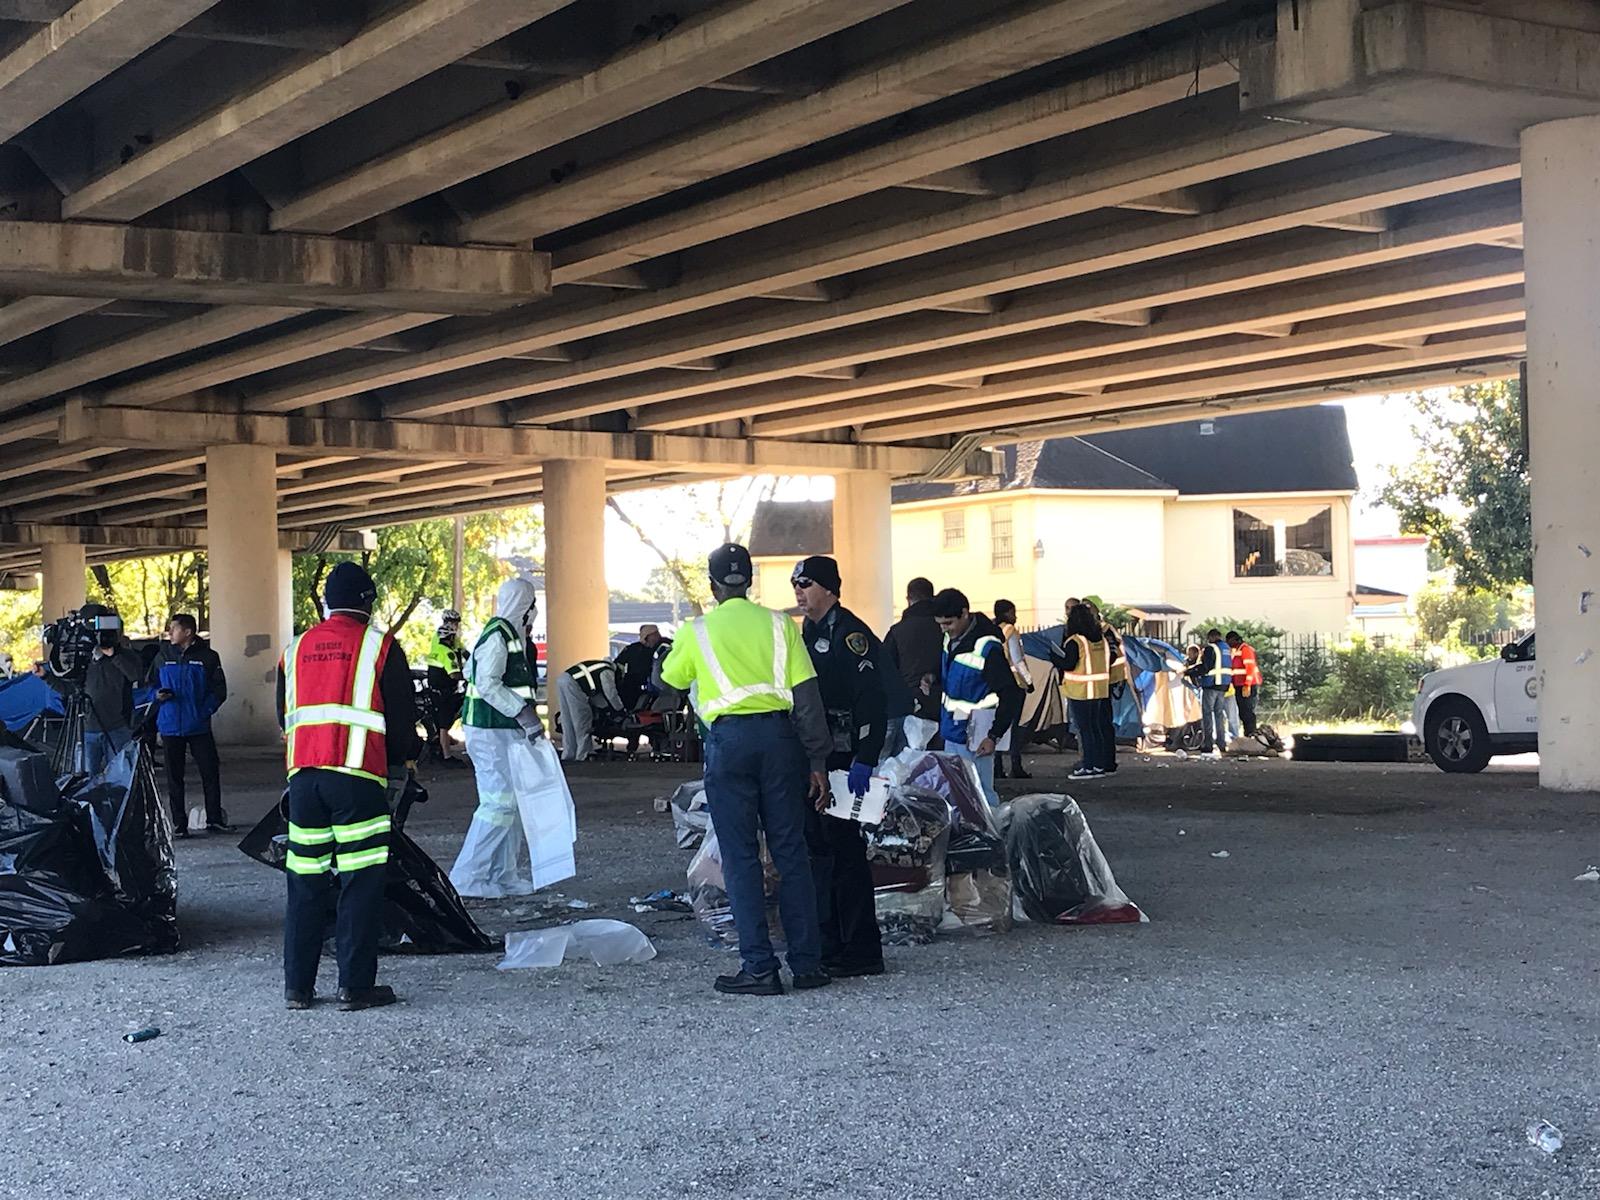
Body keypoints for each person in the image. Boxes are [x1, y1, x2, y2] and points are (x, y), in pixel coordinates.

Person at [659, 544, 831, 996]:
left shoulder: (697, 630)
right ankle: (808, 965)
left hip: (729, 745)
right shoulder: (780, 625)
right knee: (791, 853)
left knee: (740, 858)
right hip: (781, 742)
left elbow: (669, 681)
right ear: (749, 581)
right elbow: (807, 697)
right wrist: (817, 760)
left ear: (714, 586)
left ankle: (759, 967)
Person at [275, 562, 419, 1011]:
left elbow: (284, 716)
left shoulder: (295, 649)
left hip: (303, 781)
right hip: (357, 781)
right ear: (367, 602)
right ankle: (354, 986)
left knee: (305, 883)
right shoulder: (380, 647)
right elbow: (400, 721)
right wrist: (405, 759)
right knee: (360, 882)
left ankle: (297, 987)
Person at [791, 555, 886, 979]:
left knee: (845, 853)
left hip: (845, 756)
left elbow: (873, 699)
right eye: (795, 583)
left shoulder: (851, 634)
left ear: (829, 587)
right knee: (819, 850)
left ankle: (860, 949)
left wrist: (867, 756)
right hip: (816, 752)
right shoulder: (806, 632)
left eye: (806, 583)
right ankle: (829, 941)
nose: (799, 590)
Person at [451, 578, 571, 898]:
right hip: (491, 729)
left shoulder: (505, 635)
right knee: (498, 803)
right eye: (532, 606)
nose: (534, 613)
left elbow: (470, 674)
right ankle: (469, 875)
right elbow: (487, 683)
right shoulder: (499, 635)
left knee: (513, 802)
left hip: (502, 730)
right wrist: (523, 713)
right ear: (525, 607)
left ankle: (503, 875)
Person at [932, 588, 1022, 810]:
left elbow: (1009, 693)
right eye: (941, 624)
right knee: (958, 793)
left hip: (977, 737)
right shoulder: (949, 639)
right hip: (952, 730)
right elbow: (952, 675)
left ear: (964, 613)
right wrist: (933, 677)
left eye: (949, 623)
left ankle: (992, 839)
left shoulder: (987, 648)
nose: (945, 629)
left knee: (980, 795)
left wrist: (994, 735)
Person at [146, 612, 227, 835]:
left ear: (188, 632)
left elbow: (219, 690)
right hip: (170, 726)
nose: (170, 633)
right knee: (174, 777)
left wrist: (204, 711)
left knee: (210, 772)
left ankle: (214, 819)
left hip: (198, 726)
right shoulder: (163, 655)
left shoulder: (209, 657)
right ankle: (179, 824)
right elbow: (150, 684)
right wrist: (157, 695)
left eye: (174, 629)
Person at [40, 603, 141, 776]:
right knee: (86, 780)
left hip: (118, 728)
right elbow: (71, 690)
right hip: (87, 730)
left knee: (120, 777)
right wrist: (45, 676)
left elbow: (136, 675)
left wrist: (113, 654)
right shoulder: (83, 659)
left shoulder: (124, 655)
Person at [883, 577, 943, 753]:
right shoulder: (943, 627)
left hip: (909, 707)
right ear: (932, 597)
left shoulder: (897, 631)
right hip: (942, 705)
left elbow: (887, 670)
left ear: (908, 599)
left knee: (910, 765)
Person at [1060, 602, 1115, 779]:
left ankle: (1088, 766)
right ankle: (1099, 766)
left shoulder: (1075, 641)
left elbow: (1068, 664)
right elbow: (1110, 659)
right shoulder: (1101, 640)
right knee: (1095, 729)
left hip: (1080, 692)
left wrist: (1054, 658)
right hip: (1099, 691)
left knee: (1085, 731)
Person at [992, 599, 1034, 780]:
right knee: (1014, 727)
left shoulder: (991, 630)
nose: (1015, 616)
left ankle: (997, 767)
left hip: (996, 684)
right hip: (1015, 684)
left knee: (996, 725)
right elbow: (1017, 660)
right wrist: (1029, 680)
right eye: (1013, 612)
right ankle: (1016, 766)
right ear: (1006, 613)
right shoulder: (1011, 632)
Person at [556, 658, 627, 762]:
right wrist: (620, 709)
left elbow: (596, 695)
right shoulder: (607, 670)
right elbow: (610, 693)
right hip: (574, 684)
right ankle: (583, 754)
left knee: (568, 721)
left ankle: (568, 754)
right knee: (582, 720)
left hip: (563, 679)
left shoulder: (596, 666)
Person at [424, 609, 468, 765]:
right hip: (444, 685)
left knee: (444, 719)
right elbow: (453, 670)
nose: (455, 626)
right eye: (453, 622)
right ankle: (446, 754)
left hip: (438, 685)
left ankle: (443, 740)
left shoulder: (447, 638)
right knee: (444, 721)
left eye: (456, 623)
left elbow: (463, 651)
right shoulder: (443, 643)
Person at [1186, 627, 1233, 756]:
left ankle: (1208, 744)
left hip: (1211, 684)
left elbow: (1205, 667)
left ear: (1211, 637)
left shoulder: (1211, 648)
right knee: (1219, 715)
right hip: (1224, 685)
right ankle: (1221, 743)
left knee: (1207, 714)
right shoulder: (1226, 648)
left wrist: (1189, 671)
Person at [614, 625, 665, 710]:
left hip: (658, 686)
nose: (657, 637)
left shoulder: (663, 647)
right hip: (633, 686)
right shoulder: (633, 649)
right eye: (654, 634)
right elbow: (618, 664)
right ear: (646, 636)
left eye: (657, 634)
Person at [1227, 630, 1263, 738]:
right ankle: (1248, 734)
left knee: (1247, 711)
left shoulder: (1245, 649)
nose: (1228, 643)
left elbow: (1250, 668)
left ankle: (1251, 734)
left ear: (1235, 639)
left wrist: (1247, 684)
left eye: (1229, 640)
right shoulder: (1237, 651)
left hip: (1247, 685)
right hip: (1239, 685)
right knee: (1243, 711)